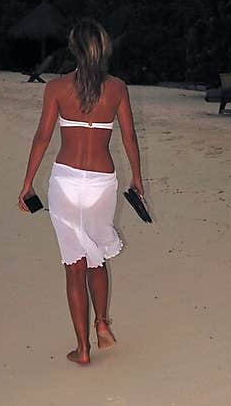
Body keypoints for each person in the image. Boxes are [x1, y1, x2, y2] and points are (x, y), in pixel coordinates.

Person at [18, 18, 144, 366]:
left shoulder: (57, 88)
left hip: (66, 182)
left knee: (74, 265)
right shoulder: (117, 87)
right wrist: (137, 178)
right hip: (102, 182)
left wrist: (28, 182)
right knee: (96, 257)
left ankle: (83, 348)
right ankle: (102, 323)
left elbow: (42, 137)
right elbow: (129, 138)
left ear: (73, 48)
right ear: (104, 49)